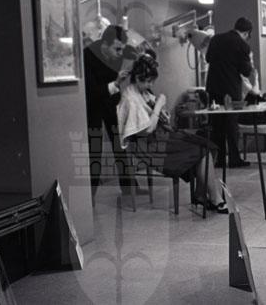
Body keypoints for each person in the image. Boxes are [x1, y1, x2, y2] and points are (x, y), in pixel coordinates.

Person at [117, 53, 228, 213]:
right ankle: (214, 198)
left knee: (208, 146)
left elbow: (155, 120)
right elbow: (147, 129)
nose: (150, 85)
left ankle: (201, 194)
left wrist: (162, 114)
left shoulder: (142, 92)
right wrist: (157, 107)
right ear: (137, 78)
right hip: (148, 145)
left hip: (160, 136)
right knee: (202, 151)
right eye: (147, 81)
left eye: (151, 81)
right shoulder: (130, 98)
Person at [84, 25, 132, 198]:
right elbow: (90, 92)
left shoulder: (117, 53)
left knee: (120, 145)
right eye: (117, 49)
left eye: (122, 49)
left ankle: (129, 189)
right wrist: (116, 84)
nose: (120, 53)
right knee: (94, 151)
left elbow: (129, 51)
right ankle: (90, 198)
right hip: (93, 105)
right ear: (104, 44)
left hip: (110, 102)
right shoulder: (87, 56)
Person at [205, 17, 254, 168]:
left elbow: (208, 58)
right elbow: (245, 71)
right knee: (231, 125)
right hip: (231, 90)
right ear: (246, 33)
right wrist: (250, 63)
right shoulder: (243, 45)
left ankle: (218, 159)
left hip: (213, 87)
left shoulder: (216, 39)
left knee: (216, 125)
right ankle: (234, 158)